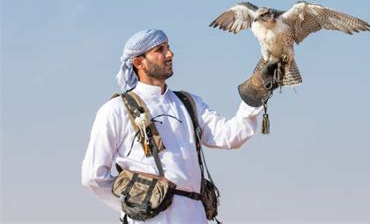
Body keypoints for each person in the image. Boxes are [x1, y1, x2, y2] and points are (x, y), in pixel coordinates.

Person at [81, 29, 280, 223]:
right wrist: (133, 207)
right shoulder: (116, 110)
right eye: (159, 49)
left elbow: (231, 136)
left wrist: (254, 95)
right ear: (138, 62)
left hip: (195, 213)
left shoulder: (188, 103)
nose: (170, 53)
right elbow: (93, 176)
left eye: (168, 47)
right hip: (152, 219)